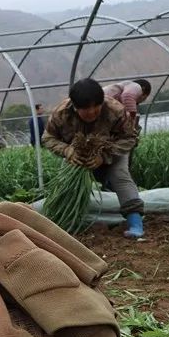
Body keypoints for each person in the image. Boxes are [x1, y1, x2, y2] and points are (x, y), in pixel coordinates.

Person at [43, 78, 144, 239]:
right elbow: (48, 138)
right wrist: (67, 150)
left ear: (101, 103)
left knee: (120, 176)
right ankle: (64, 221)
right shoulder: (61, 113)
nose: (91, 114)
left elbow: (130, 138)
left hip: (111, 150)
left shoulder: (115, 110)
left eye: (95, 110)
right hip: (77, 155)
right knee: (65, 184)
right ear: (75, 108)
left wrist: (104, 156)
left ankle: (135, 222)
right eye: (86, 111)